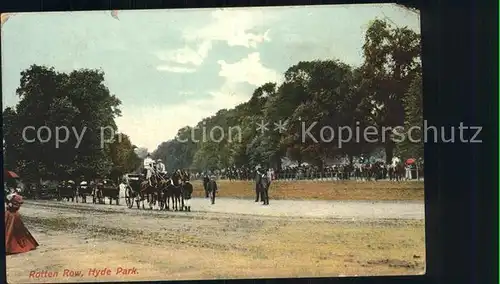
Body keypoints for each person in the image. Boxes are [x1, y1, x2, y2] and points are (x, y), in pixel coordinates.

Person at [5, 191, 39, 255]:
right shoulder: (14, 197)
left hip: (11, 215)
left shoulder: (14, 197)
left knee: (12, 230)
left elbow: (15, 205)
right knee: (11, 230)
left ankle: (9, 246)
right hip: (11, 215)